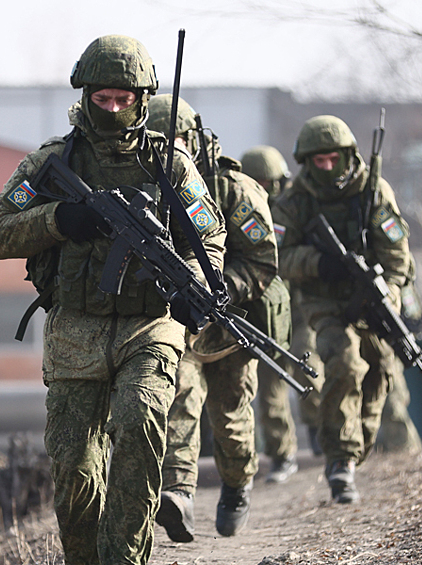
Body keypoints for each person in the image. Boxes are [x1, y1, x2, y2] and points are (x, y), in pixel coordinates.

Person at [0, 35, 226, 564]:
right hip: (76, 328)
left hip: (150, 325)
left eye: (124, 99)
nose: (113, 109)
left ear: (142, 98)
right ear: (85, 94)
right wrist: (59, 219)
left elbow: (209, 237)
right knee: (74, 465)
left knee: (139, 422)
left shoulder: (171, 164)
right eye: (102, 98)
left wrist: (197, 289)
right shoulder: (52, 162)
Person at [146, 95, 285, 540]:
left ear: (196, 140)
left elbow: (261, 260)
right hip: (177, 324)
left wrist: (222, 288)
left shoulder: (233, 189)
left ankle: (237, 486)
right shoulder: (144, 186)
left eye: (178, 141)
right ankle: (179, 493)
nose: (171, 151)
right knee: (179, 399)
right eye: (159, 142)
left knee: (230, 417)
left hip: (229, 324)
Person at [271, 115, 415, 504]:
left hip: (372, 298)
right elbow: (277, 256)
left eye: (333, 159)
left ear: (348, 155)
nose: (327, 167)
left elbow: (397, 256)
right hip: (324, 301)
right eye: (318, 161)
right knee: (345, 363)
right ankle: (340, 460)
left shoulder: (373, 191)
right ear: (306, 162)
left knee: (380, 370)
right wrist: (319, 263)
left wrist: (389, 296)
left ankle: (355, 447)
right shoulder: (294, 201)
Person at [240, 145, 324, 483]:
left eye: (270, 182)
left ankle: (320, 431)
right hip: (263, 316)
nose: (265, 189)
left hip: (299, 309)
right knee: (271, 388)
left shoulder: (297, 208)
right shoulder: (239, 210)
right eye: (258, 182)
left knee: (309, 367)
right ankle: (282, 455)